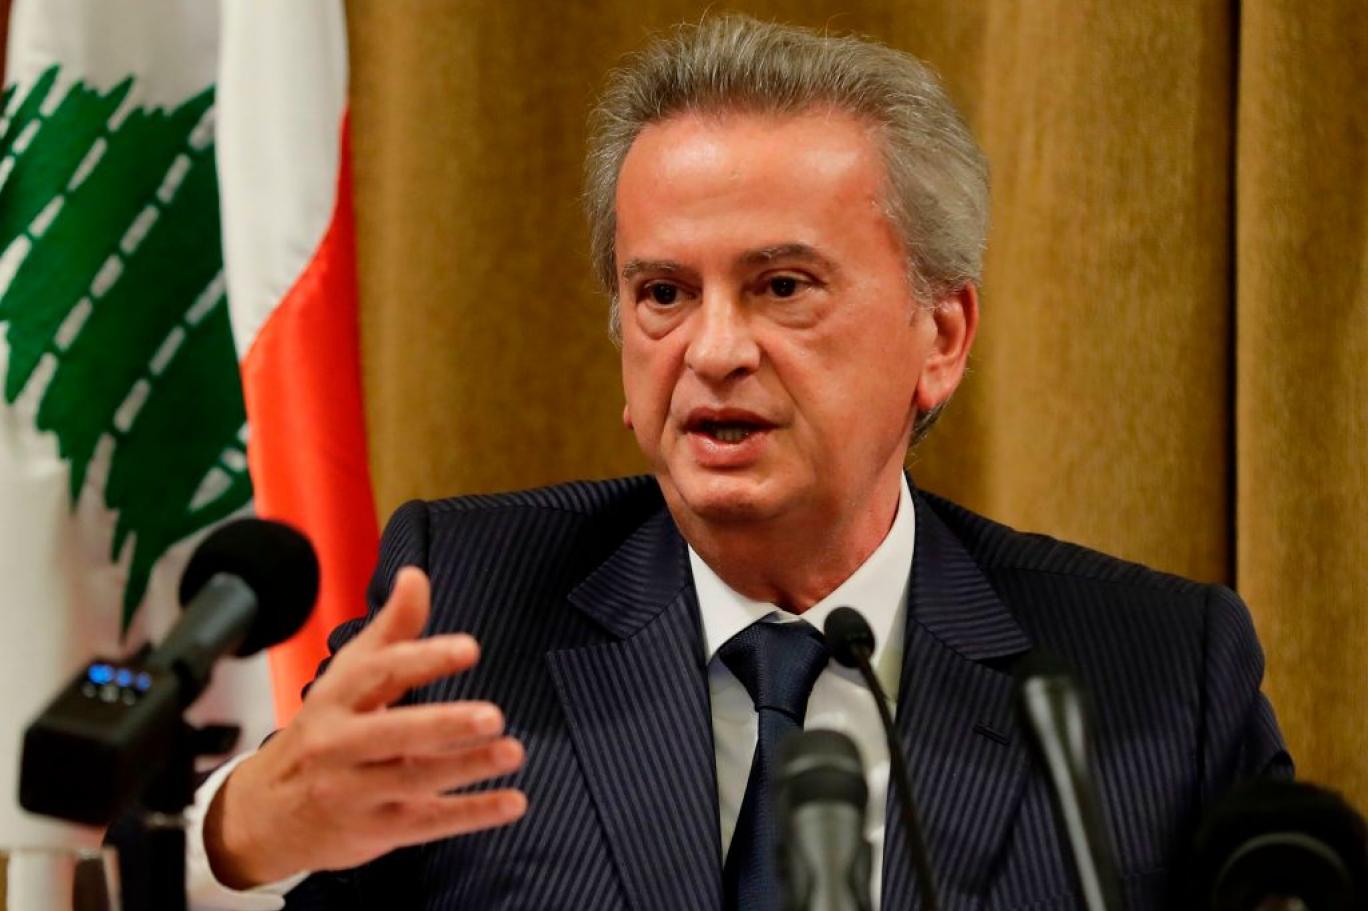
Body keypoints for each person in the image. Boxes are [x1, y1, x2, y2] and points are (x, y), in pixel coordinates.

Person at [185, 15, 1289, 910]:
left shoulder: (1154, 671)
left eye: (782, 287)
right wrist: (242, 835)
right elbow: (285, 857)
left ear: (941, 337)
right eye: (664, 293)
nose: (713, 350)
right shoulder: (470, 611)